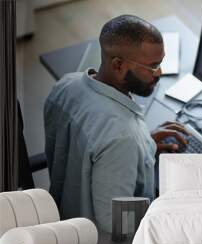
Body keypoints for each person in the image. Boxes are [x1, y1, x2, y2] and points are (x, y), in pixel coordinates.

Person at [44, 15, 188, 232]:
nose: (159, 73)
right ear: (118, 65)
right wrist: (170, 209)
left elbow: (94, 143)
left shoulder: (66, 85)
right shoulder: (123, 138)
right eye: (152, 66)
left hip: (63, 211)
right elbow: (117, 225)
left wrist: (143, 147)